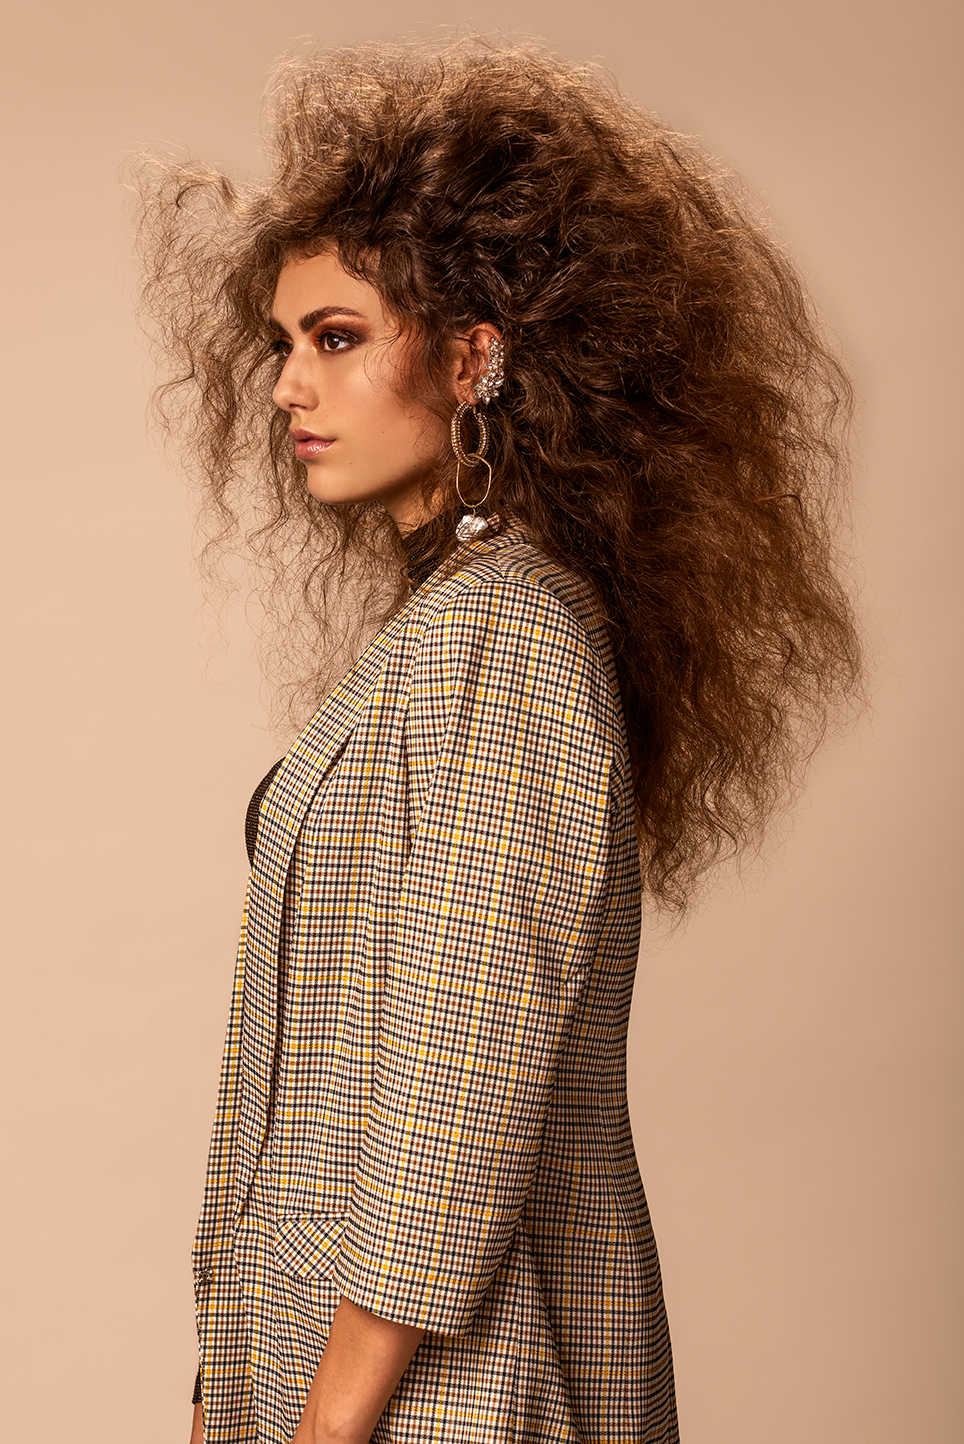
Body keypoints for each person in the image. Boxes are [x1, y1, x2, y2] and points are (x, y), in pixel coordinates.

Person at [136, 36, 861, 1444]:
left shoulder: (504, 638)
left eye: (336, 339)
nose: (287, 385)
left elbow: (454, 1090)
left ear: (474, 357)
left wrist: (325, 1427)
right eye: (283, 344)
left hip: (453, 1396)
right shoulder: (453, 628)